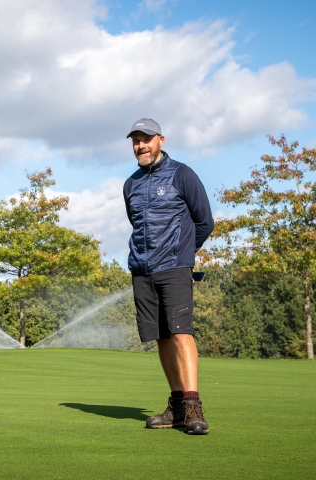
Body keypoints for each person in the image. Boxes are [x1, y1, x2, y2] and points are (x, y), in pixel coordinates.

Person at [123, 118, 214, 435]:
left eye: (146, 139)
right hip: (142, 270)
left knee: (180, 332)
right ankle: (176, 406)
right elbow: (136, 226)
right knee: (160, 335)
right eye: (135, 140)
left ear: (160, 139)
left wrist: (183, 258)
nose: (140, 146)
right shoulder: (130, 184)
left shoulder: (182, 174)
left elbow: (205, 222)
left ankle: (193, 408)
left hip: (174, 268)